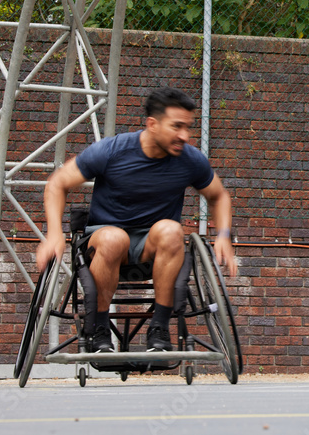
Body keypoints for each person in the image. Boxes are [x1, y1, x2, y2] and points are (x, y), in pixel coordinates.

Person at [36, 86, 237, 353]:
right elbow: (57, 183)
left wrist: (223, 236)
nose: (184, 136)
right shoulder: (112, 151)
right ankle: (99, 329)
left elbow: (219, 196)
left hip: (153, 249)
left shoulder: (190, 161)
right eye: (177, 127)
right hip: (104, 240)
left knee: (171, 230)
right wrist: (53, 235)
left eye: (188, 127)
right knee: (113, 238)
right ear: (152, 124)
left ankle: (160, 328)